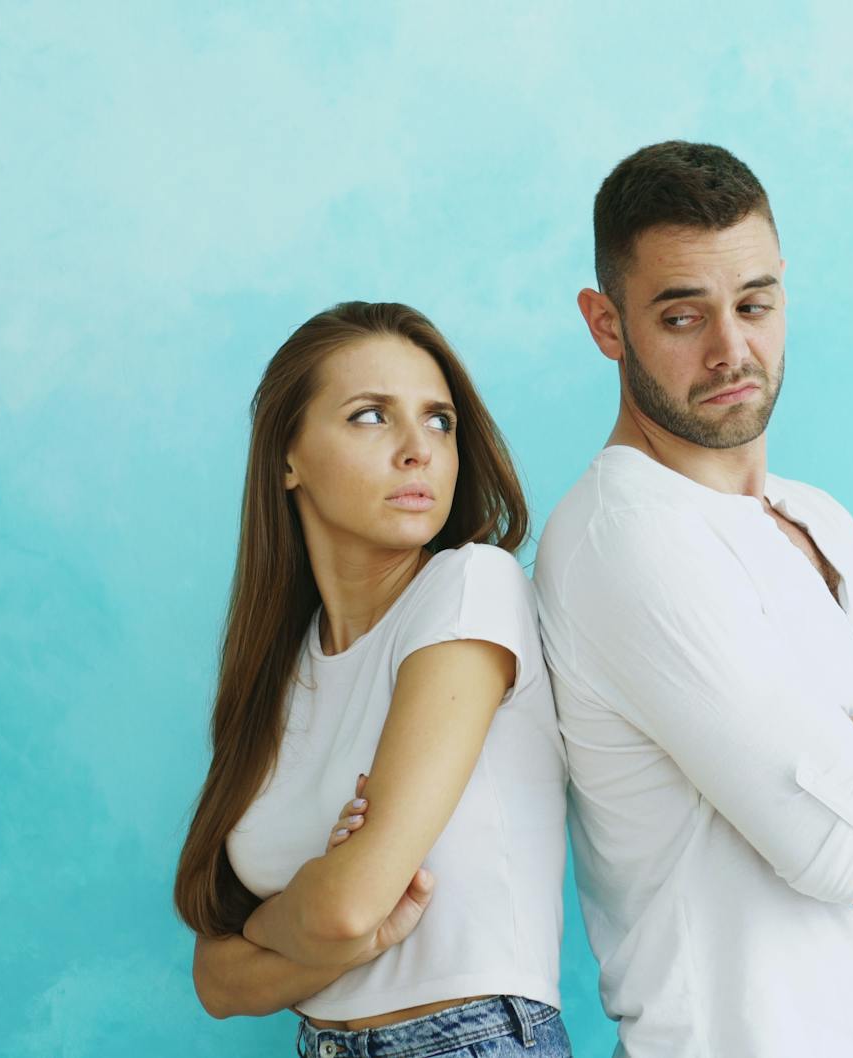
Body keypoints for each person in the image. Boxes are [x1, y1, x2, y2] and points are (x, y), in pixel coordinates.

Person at [532, 141, 853, 1056]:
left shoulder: (818, 517)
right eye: (683, 316)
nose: (733, 350)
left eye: (755, 305)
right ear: (606, 324)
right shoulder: (626, 536)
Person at [173, 301, 571, 1056]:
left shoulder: (469, 588)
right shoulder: (279, 673)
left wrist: (276, 925)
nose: (419, 449)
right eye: (370, 417)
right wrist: (320, 917)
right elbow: (216, 983)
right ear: (287, 457)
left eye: (440, 421)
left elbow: (350, 910)